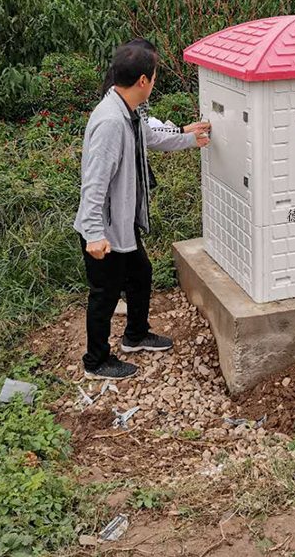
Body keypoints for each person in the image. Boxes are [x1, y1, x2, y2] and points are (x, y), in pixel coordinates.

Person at [74, 41, 211, 379]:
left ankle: (135, 335)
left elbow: (150, 136)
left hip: (122, 221)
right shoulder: (111, 123)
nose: (155, 81)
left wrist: (187, 135)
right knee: (104, 295)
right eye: (154, 76)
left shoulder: (127, 110)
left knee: (140, 274)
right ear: (143, 82)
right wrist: (93, 234)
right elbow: (94, 185)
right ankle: (96, 362)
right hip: (104, 229)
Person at [99, 38, 208, 192]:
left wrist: (185, 134)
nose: (154, 77)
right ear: (142, 79)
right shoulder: (113, 119)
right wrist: (183, 132)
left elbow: (147, 133)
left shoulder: (120, 98)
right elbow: (95, 188)